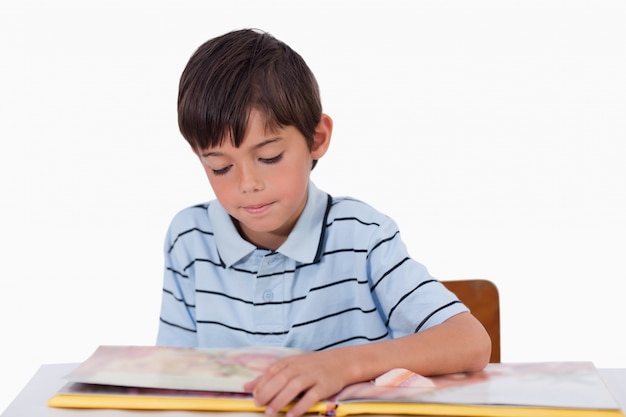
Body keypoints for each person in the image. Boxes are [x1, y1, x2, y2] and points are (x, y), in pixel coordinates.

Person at [157, 28, 491, 417]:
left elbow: (470, 341)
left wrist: (341, 365)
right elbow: (169, 378)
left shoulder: (362, 235)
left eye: (269, 158)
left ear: (316, 139)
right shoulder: (189, 239)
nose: (247, 184)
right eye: (220, 167)